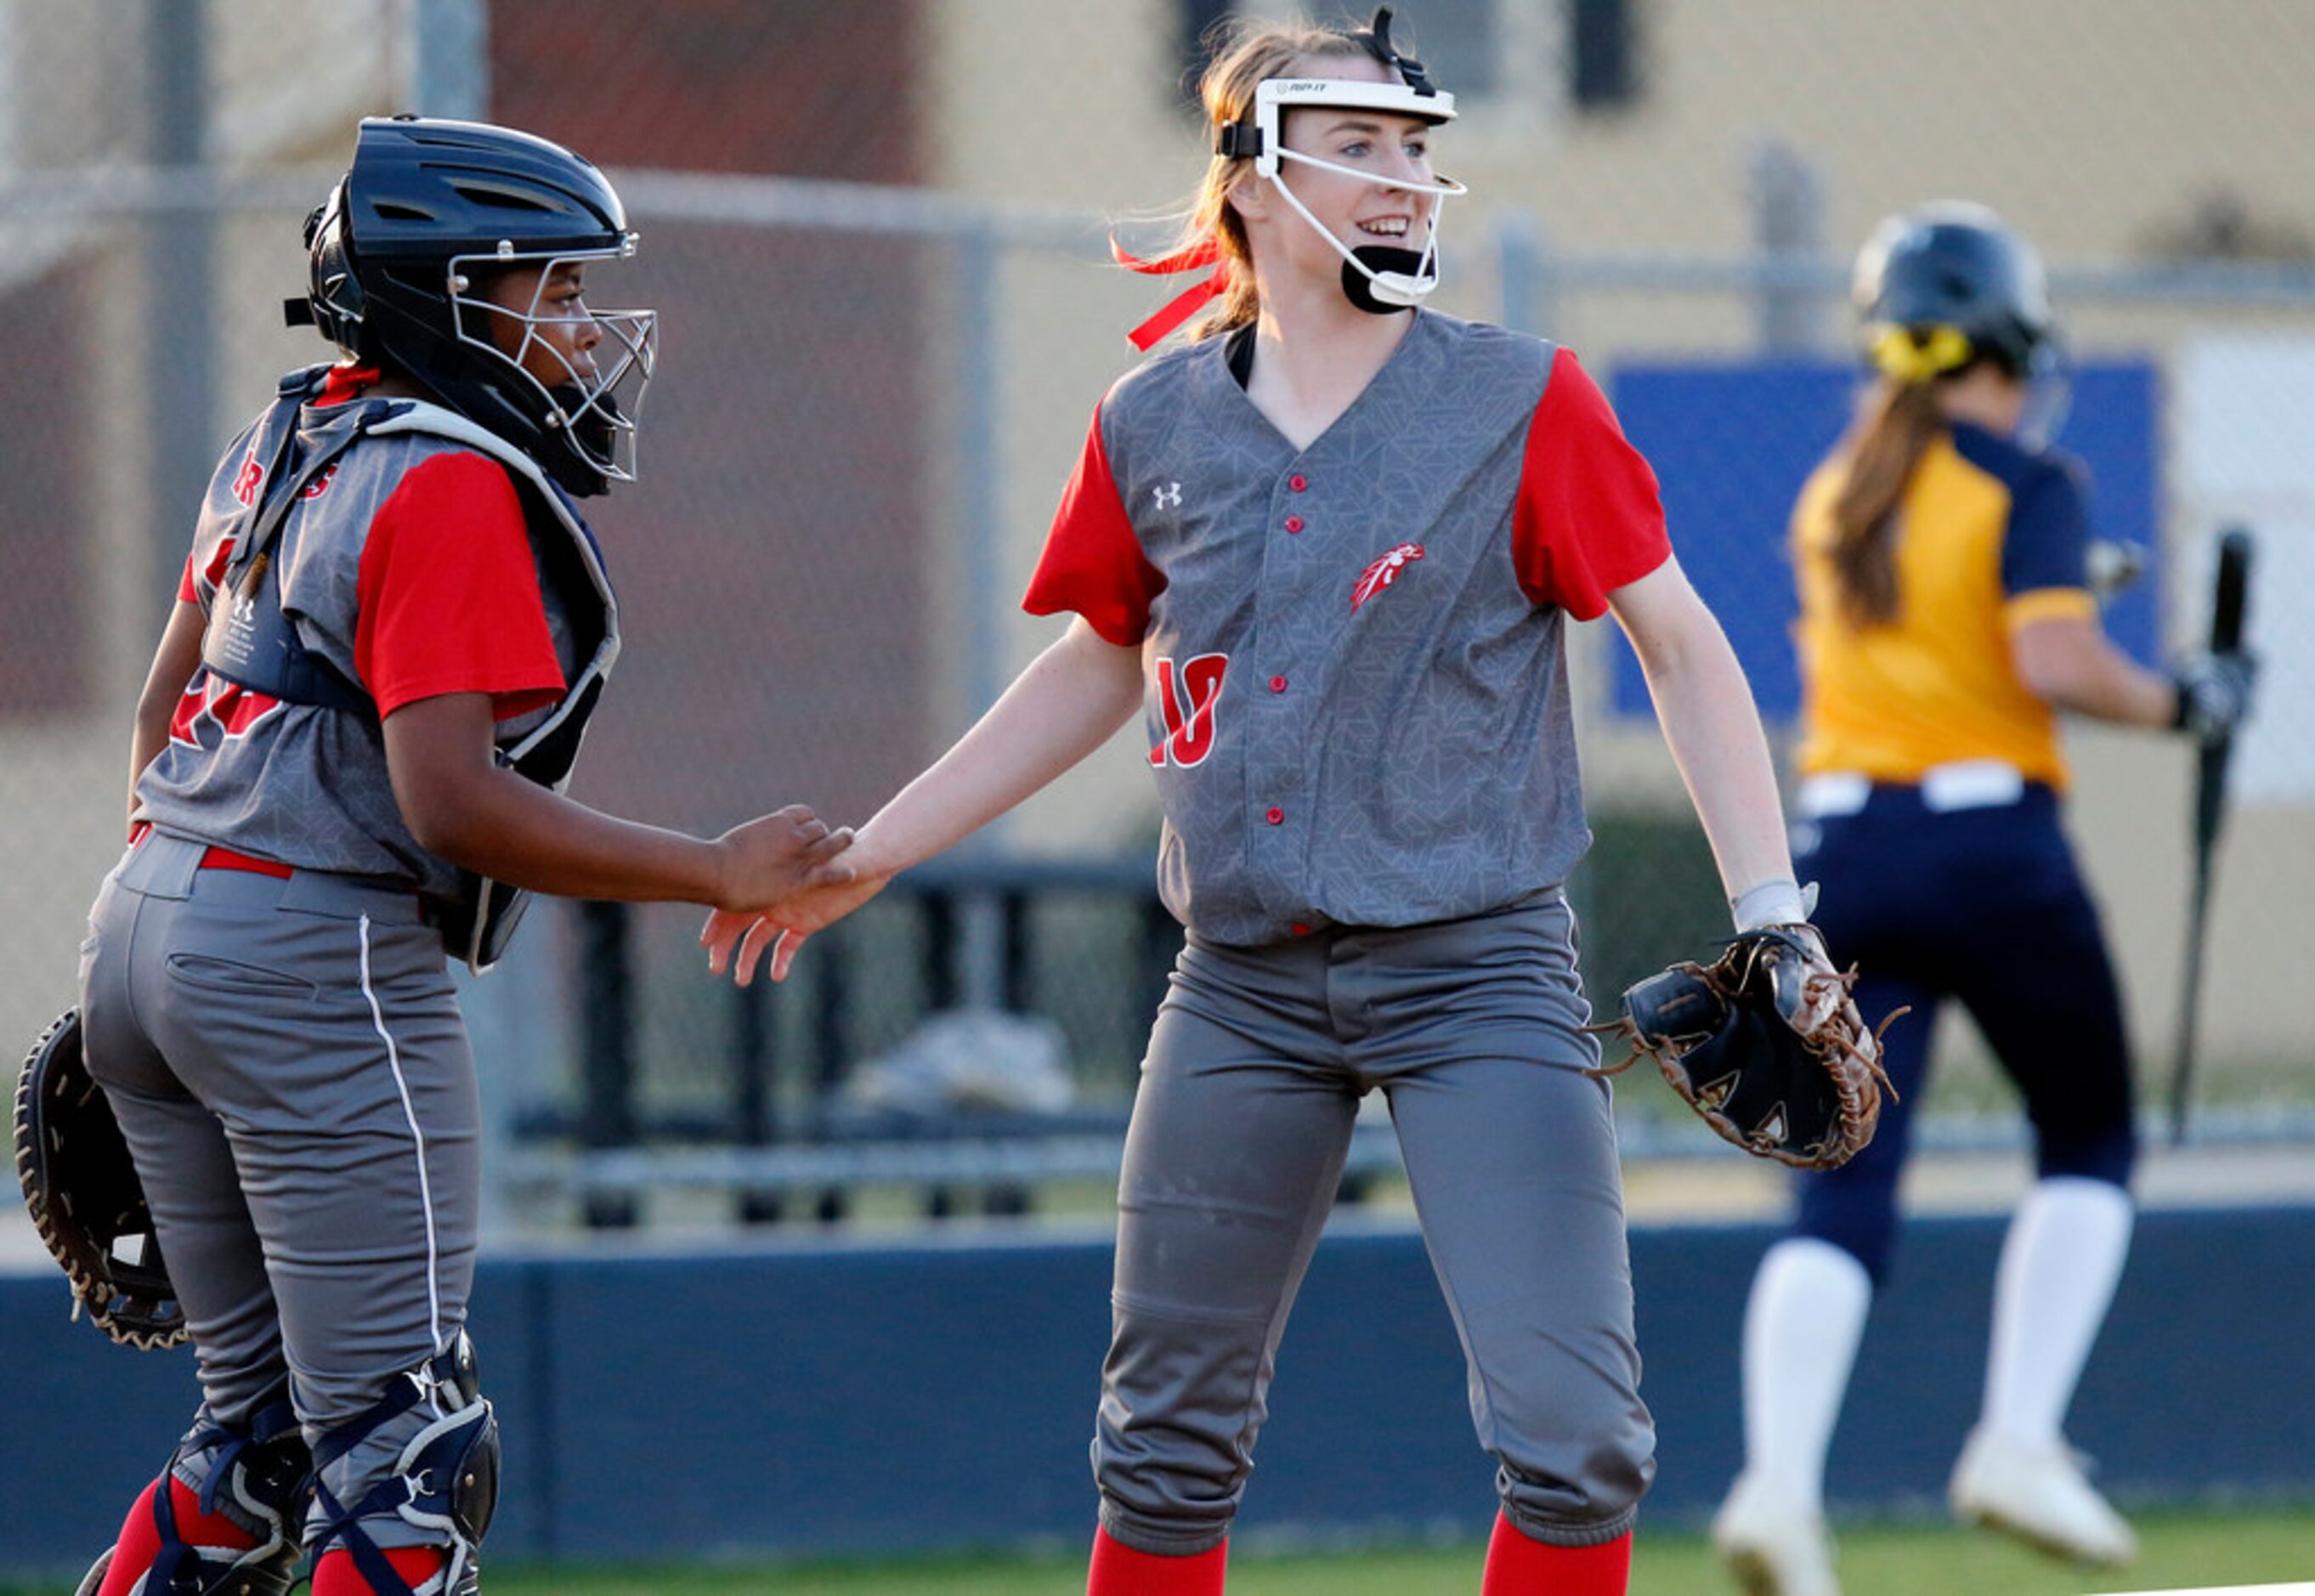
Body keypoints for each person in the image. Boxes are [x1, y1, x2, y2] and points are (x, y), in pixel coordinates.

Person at [703, 14, 1859, 1593]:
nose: (1405, 180)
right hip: (1239, 986)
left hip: (1477, 968)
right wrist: (876, 850)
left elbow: (1681, 643)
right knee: (1164, 1449)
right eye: (1361, 145)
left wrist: (1771, 911)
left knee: (1578, 1440)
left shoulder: (1524, 397)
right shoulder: (1153, 422)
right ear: (1250, 173)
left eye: (1417, 150)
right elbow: (1096, 665)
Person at [74, 116, 852, 1596]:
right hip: (314, 960)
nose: (580, 323)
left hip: (145, 927)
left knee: (252, 1451)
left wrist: (168, 932)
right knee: (401, 1457)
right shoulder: (448, 476)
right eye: (546, 291)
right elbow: (452, 807)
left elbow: (160, 713)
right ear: (445, 299)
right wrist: (716, 867)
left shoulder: (276, 441)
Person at [1709, 201, 2258, 1596]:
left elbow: (1936, 626)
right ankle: (2016, 1437)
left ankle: (1778, 1487)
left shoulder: (1841, 488)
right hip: (1991, 847)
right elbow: (2062, 660)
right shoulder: (2027, 479)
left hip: (1847, 854)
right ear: (2009, 335)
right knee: (2087, 1130)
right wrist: (2185, 698)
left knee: (1849, 1183)